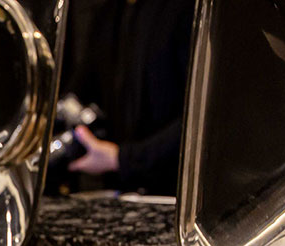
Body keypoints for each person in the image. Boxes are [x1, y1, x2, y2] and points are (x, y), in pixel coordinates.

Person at [60, 0, 195, 195]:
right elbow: (79, 90)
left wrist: (122, 158)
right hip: (122, 191)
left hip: (173, 193)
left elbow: (202, 121)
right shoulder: (109, 13)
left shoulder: (188, 10)